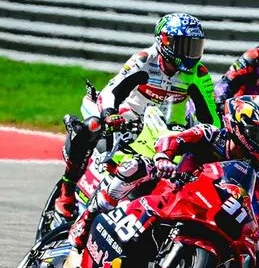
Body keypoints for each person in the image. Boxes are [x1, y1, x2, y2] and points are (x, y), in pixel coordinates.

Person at [62, 95, 259, 268]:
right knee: (134, 167)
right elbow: (174, 140)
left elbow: (256, 204)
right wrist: (163, 158)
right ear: (240, 126)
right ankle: (86, 221)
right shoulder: (212, 134)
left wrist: (253, 230)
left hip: (209, 210)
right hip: (172, 185)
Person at [53, 13, 218, 218]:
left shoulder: (199, 75)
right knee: (91, 126)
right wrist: (110, 114)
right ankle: (67, 191)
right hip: (128, 119)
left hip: (165, 130)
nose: (190, 54)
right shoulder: (144, 60)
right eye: (185, 46)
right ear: (165, 42)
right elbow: (111, 91)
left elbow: (211, 119)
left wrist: (209, 137)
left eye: (194, 46)